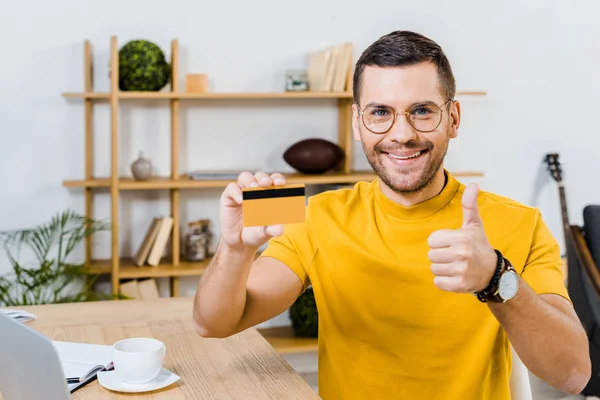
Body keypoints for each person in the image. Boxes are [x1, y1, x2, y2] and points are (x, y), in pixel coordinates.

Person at [192, 30, 591, 399]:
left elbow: (572, 375)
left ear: (453, 119)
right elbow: (214, 324)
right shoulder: (317, 214)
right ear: (357, 123)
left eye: (422, 110)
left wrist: (496, 278)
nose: (401, 134)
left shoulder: (519, 223)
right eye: (380, 112)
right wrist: (234, 249)